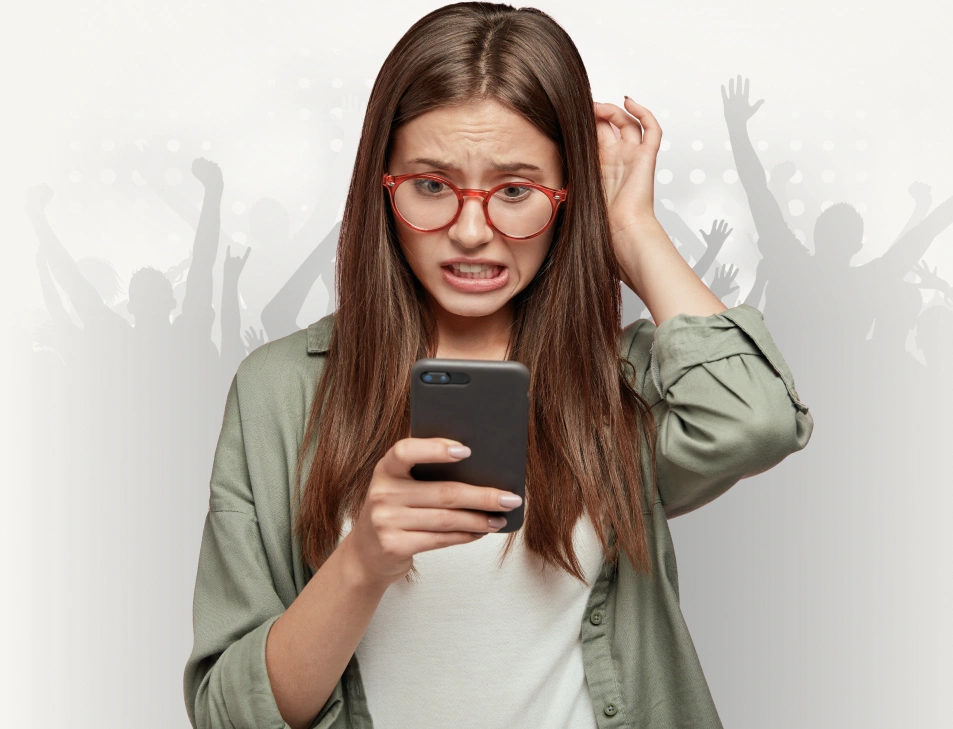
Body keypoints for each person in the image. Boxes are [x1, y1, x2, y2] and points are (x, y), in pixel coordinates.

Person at [183, 4, 814, 728]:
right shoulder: (279, 391)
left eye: (515, 191)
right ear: (382, 188)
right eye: (431, 185)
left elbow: (757, 421)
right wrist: (361, 561)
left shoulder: (623, 383)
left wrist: (630, 226)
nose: (471, 230)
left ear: (567, 196)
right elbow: (227, 715)